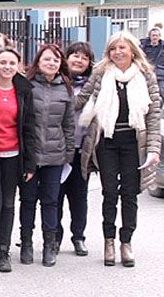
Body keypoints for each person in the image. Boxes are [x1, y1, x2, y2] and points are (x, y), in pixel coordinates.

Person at [76, 31, 161, 267]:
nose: (118, 52)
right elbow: (81, 99)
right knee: (110, 192)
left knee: (130, 194)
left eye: (122, 47)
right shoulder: (101, 73)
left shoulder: (145, 76)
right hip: (107, 141)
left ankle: (126, 242)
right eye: (113, 48)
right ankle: (109, 241)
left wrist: (154, 149)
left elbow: (153, 115)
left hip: (135, 142)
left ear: (132, 50)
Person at [20, 44, 74, 268]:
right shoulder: (27, 85)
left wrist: (68, 154)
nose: (51, 63)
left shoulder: (65, 89)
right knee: (28, 200)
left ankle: (49, 245)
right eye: (47, 59)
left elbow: (68, 125)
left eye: (55, 60)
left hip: (55, 155)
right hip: (30, 155)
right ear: (38, 61)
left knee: (51, 201)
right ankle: (26, 243)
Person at [0, 47, 37, 273]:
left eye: (12, 63)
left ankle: (3, 250)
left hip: (13, 155)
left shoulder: (24, 91)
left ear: (18, 66)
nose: (7, 67)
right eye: (3, 62)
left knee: (8, 204)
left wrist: (30, 163)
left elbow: (30, 128)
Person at [56, 42, 95, 257]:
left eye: (84, 57)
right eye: (75, 55)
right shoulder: (57, 82)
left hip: (82, 150)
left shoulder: (93, 86)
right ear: (67, 57)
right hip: (57, 149)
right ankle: (54, 237)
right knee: (55, 196)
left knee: (79, 197)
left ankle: (78, 237)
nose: (79, 60)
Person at [141, 27, 164, 99]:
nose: (155, 37)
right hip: (147, 73)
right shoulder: (143, 47)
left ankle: (159, 108)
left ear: (159, 36)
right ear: (150, 36)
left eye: (157, 35)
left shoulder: (162, 47)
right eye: (153, 35)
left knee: (161, 92)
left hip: (160, 74)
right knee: (146, 93)